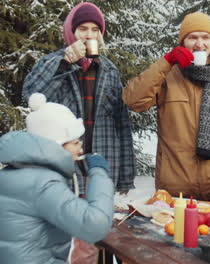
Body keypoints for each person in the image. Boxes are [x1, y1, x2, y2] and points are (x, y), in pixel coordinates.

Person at [122, 12, 210, 220]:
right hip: (176, 195)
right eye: (192, 37)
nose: (199, 43)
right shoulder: (167, 75)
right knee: (175, 252)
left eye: (205, 37)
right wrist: (166, 62)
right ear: (182, 41)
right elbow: (133, 100)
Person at [0, 93, 114, 264]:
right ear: (56, 145)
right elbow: (95, 225)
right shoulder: (42, 183)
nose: (80, 150)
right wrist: (99, 173)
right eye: (75, 143)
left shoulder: (10, 173)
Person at [23, 2, 135, 195]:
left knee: (101, 224)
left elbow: (122, 124)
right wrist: (66, 62)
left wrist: (125, 177)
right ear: (71, 32)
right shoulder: (52, 63)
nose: (89, 35)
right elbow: (32, 95)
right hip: (62, 167)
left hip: (102, 164)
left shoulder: (109, 71)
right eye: (83, 29)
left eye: (95, 29)